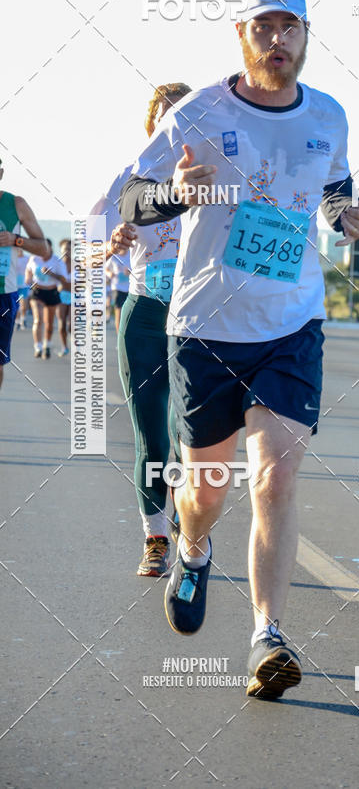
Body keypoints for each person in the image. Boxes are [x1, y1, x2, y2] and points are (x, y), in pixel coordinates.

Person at [119, 0, 359, 699]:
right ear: (241, 34)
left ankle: (268, 635)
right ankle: (193, 549)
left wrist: (347, 220)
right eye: (263, 26)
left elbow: (335, 195)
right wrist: (178, 191)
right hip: (205, 326)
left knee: (277, 474)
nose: (277, 39)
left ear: (304, 35)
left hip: (292, 322)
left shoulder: (328, 114)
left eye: (289, 26)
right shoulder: (201, 110)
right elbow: (136, 200)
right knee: (203, 489)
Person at [90, 82, 192, 578]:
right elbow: (83, 253)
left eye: (185, 117)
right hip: (145, 314)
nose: (175, 127)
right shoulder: (127, 181)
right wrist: (110, 243)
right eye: (167, 118)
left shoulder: (213, 178)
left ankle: (191, 522)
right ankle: (156, 536)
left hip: (199, 319)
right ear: (152, 127)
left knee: (188, 438)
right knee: (151, 435)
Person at [0, 161, 50, 386]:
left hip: (4, 293)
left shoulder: (16, 204)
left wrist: (16, 239)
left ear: (1, 173)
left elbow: (44, 248)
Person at [25, 239, 69, 359]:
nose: (43, 251)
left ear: (50, 249)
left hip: (52, 291)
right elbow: (28, 269)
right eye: (41, 248)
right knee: (38, 320)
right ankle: (37, 347)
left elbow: (64, 280)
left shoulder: (57, 261)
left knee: (49, 322)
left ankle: (47, 346)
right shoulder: (34, 259)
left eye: (46, 248)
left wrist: (51, 274)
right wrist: (27, 279)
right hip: (37, 291)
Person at [105, 253, 130, 333]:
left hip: (130, 288)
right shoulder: (114, 256)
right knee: (118, 311)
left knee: (129, 313)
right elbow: (105, 268)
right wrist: (109, 274)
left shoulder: (131, 254)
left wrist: (130, 272)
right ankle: (119, 338)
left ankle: (127, 335)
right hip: (117, 287)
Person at [56, 239, 72, 356]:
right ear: (61, 250)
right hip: (61, 296)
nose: (67, 251)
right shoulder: (56, 264)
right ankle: (64, 347)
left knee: (71, 325)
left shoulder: (79, 264)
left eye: (69, 249)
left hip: (75, 296)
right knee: (61, 325)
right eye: (65, 249)